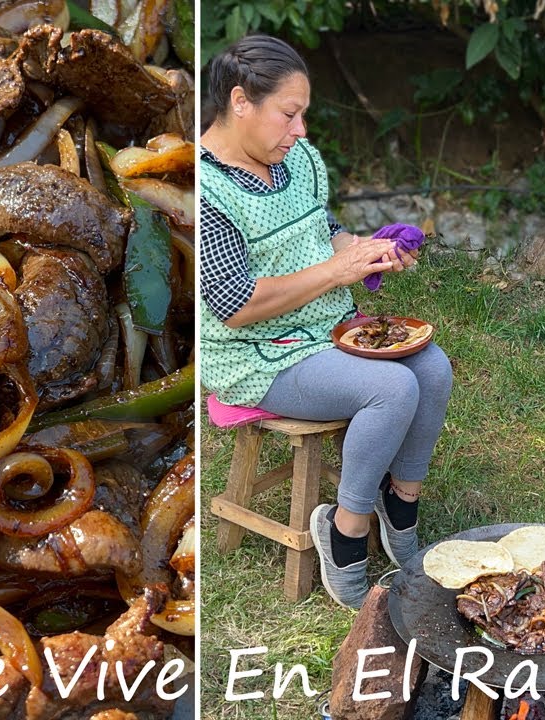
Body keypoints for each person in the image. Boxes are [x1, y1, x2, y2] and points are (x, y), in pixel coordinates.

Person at [199, 35, 453, 609]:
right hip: (256, 353)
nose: (300, 131)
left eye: (303, 116)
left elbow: (323, 230)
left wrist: (365, 250)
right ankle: (345, 532)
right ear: (240, 102)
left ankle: (400, 501)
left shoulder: (296, 160)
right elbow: (236, 306)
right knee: (391, 388)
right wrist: (337, 273)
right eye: (289, 115)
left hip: (327, 329)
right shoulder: (206, 189)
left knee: (432, 367)